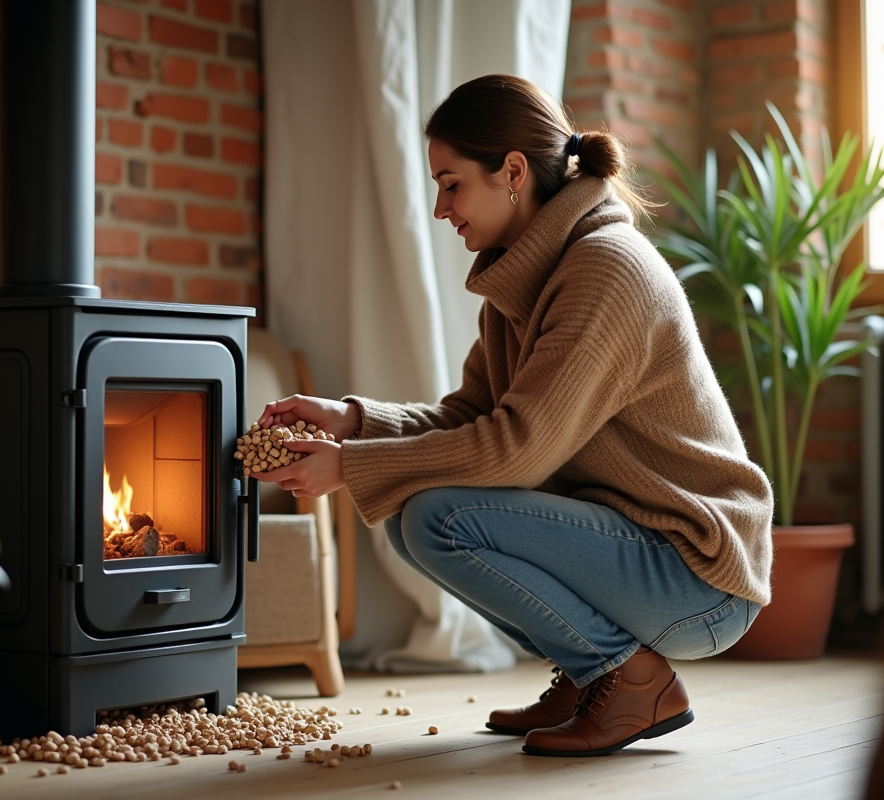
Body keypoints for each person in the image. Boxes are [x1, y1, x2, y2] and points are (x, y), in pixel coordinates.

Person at [251, 73, 773, 757]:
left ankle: (630, 680)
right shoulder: (523, 282)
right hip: (639, 545)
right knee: (413, 521)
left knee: (440, 517)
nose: (440, 208)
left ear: (513, 173)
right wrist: (353, 421)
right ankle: (590, 675)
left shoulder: (605, 271)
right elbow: (469, 414)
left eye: (452, 183)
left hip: (697, 572)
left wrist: (351, 466)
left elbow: (516, 450)